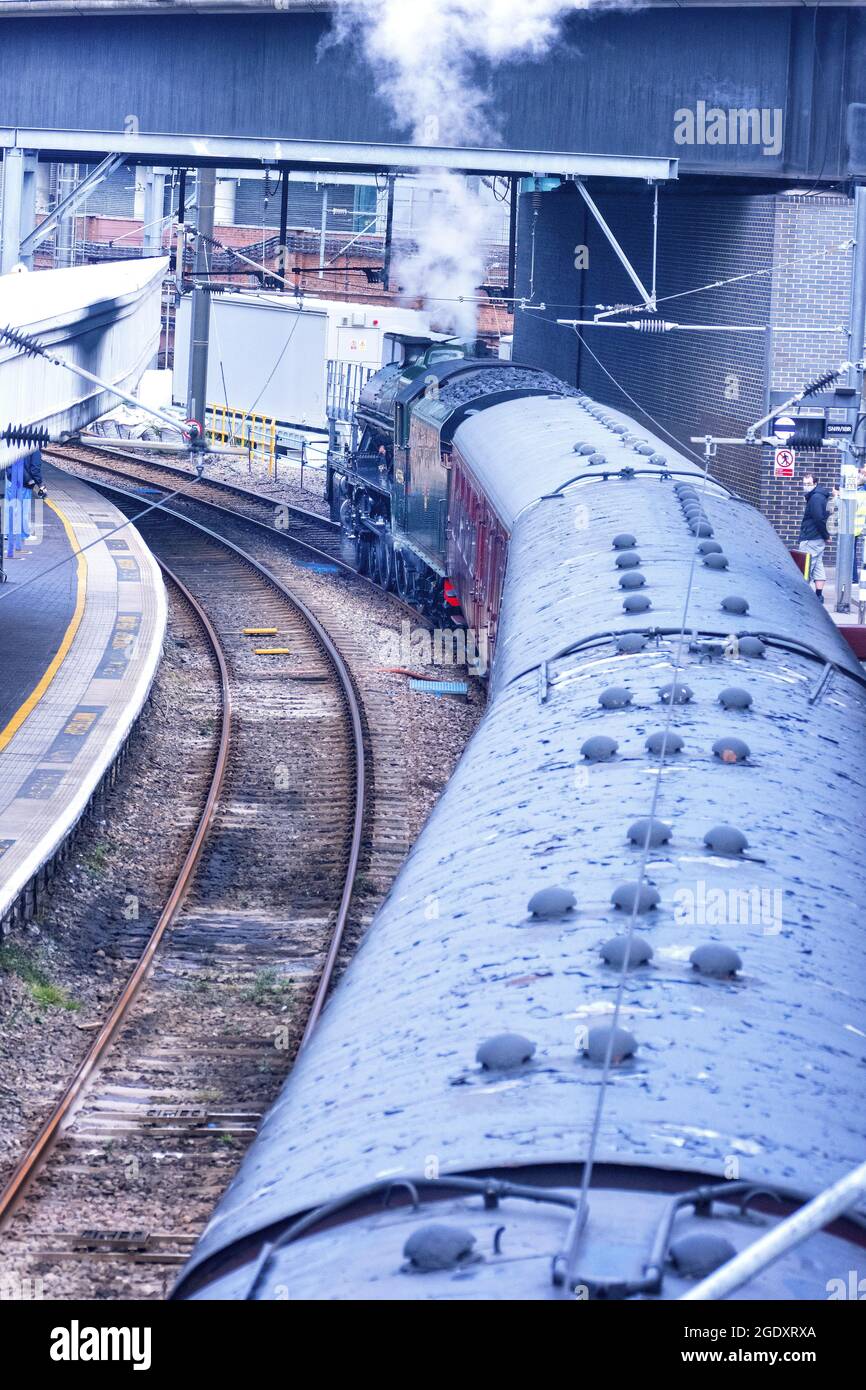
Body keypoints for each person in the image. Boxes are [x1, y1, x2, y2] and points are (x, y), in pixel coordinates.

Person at [797, 471, 830, 603]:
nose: (806, 486)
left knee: (806, 566)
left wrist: (826, 535)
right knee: (818, 566)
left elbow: (818, 518)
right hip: (816, 538)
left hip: (811, 537)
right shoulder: (818, 496)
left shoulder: (815, 498)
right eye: (804, 484)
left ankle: (804, 596)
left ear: (815, 483)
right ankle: (818, 595)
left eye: (809, 484)